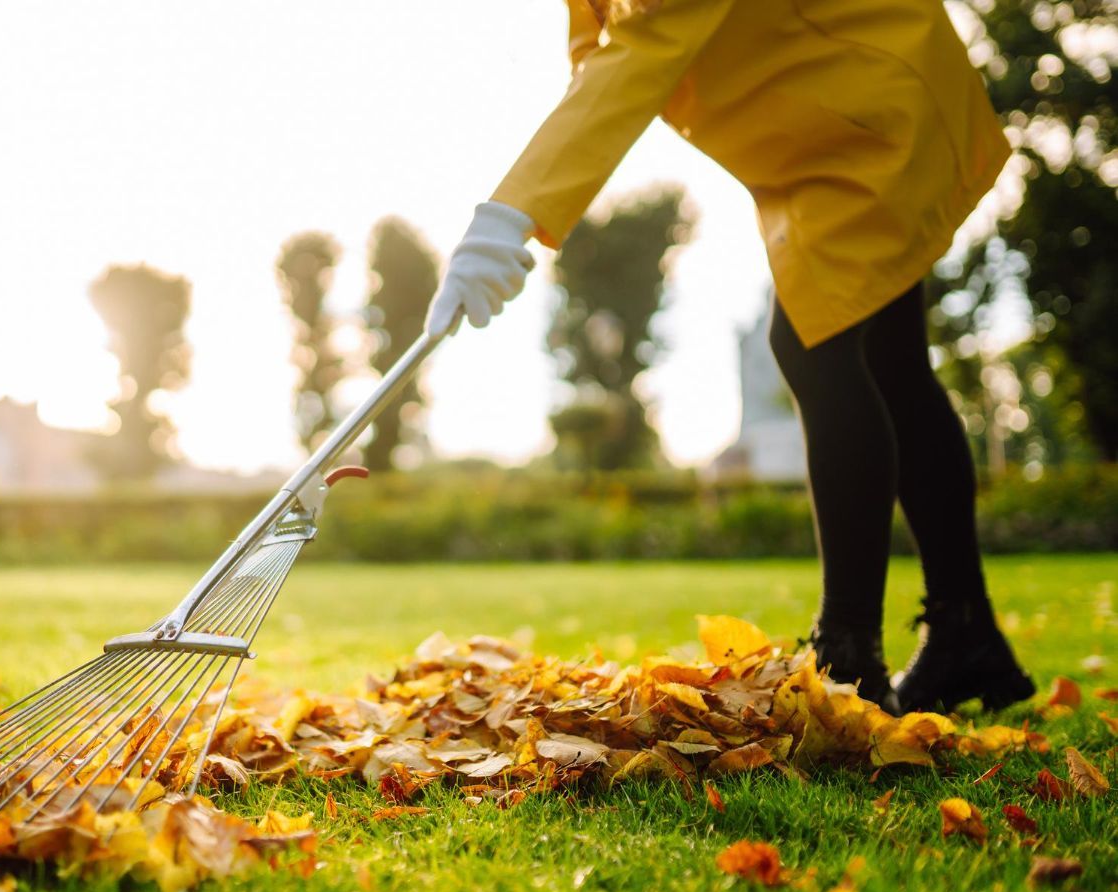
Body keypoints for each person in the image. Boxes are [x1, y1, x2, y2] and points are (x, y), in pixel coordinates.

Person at [426, 0, 1036, 714]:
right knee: (894, 364)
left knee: (814, 346)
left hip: (866, 96)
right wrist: (522, 208)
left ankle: (849, 657)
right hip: (837, 110)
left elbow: (641, 48)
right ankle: (966, 634)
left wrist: (509, 213)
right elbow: (602, 56)